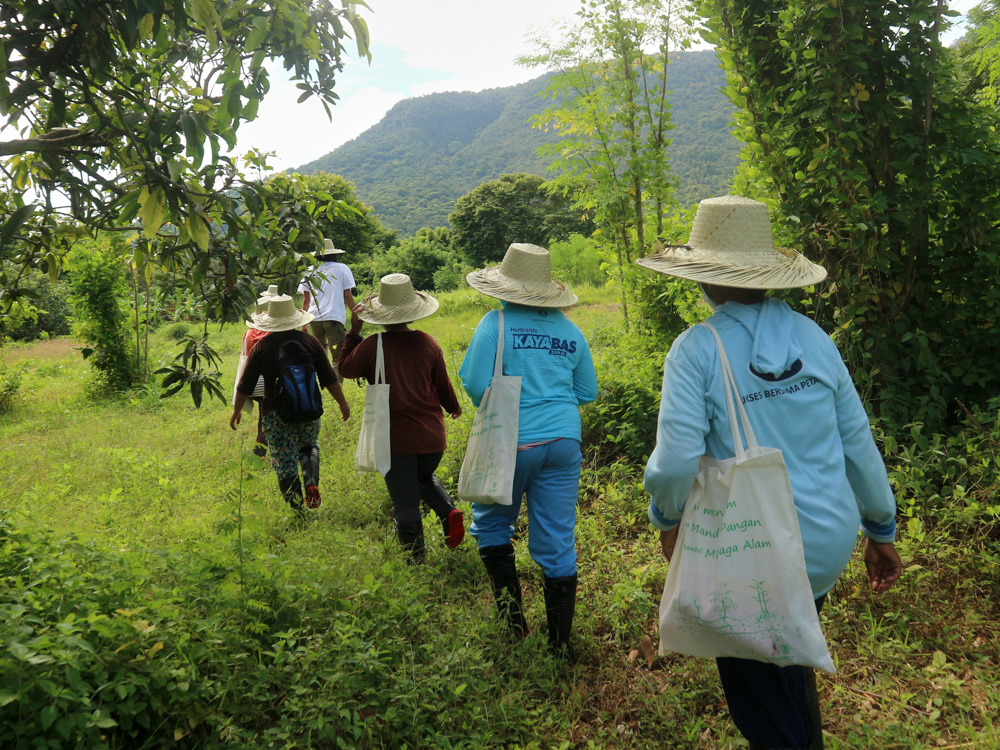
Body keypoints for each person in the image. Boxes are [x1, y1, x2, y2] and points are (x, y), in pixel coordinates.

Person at [637, 195, 902, 750]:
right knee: (789, 658)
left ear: (702, 278)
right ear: (768, 276)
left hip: (751, 549)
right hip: (826, 544)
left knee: (761, 697)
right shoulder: (815, 340)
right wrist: (880, 528)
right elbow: (858, 444)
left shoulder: (696, 351)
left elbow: (677, 461)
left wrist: (666, 517)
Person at [459, 243, 598, 657]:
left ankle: (513, 623)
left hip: (510, 442)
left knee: (492, 524)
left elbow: (473, 382)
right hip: (563, 442)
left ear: (504, 288)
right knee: (557, 538)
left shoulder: (495, 323)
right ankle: (559, 645)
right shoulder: (570, 330)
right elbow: (587, 391)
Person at [339, 274, 465, 562]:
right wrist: (453, 407)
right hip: (433, 438)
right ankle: (448, 511)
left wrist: (354, 332)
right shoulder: (428, 342)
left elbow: (345, 368)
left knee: (404, 504)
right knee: (421, 477)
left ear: (380, 315)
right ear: (412, 313)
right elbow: (442, 384)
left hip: (394, 440)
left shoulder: (373, 345)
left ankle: (415, 565)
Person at [230, 294, 350, 514]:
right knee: (308, 446)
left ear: (269, 321)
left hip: (276, 415)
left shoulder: (262, 347)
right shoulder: (311, 342)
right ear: (296, 318)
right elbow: (329, 378)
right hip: (309, 410)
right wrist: (343, 403)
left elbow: (244, 385)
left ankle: (298, 513)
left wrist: (236, 411)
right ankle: (311, 481)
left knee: (285, 463)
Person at [232, 284, 280, 457]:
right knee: (266, 423)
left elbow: (243, 360)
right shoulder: (274, 334)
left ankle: (261, 455)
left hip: (252, 383)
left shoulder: (249, 333)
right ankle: (260, 456)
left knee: (264, 418)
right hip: (268, 382)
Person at [298, 238, 356, 380]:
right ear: (334, 253)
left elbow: (306, 299)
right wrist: (355, 314)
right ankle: (337, 386)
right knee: (337, 354)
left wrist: (303, 323)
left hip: (314, 319)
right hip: (333, 319)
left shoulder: (309, 271)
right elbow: (347, 295)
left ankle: (322, 382)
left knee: (320, 351)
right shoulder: (341, 268)